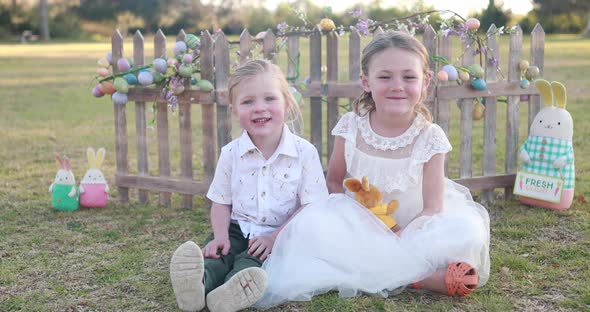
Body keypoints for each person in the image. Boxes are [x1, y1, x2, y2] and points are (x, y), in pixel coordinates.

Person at [256, 30, 490, 308]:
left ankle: (397, 267)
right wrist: (359, 223)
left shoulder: (431, 137)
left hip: (415, 224)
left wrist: (401, 237)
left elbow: (432, 209)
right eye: (385, 76)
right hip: (358, 220)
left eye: (409, 77)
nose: (397, 85)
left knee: (465, 231)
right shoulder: (351, 126)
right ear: (366, 82)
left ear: (425, 81)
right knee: (318, 232)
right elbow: (333, 183)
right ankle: (421, 276)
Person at [170, 59, 329, 312]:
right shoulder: (231, 153)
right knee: (218, 256)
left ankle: (231, 293)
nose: (259, 108)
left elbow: (312, 206)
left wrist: (275, 237)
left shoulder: (304, 152)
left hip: (280, 233)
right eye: (248, 102)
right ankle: (198, 285)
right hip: (236, 227)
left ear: (286, 104)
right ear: (234, 110)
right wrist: (220, 236)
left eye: (269, 99)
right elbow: (221, 201)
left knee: (251, 263)